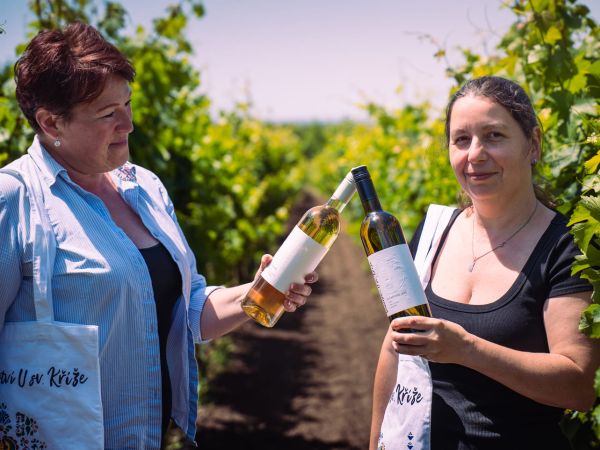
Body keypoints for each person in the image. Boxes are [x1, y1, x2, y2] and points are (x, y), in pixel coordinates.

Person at [0, 22, 316, 449]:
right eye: (108, 114)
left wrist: (260, 290)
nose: (128, 124)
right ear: (51, 123)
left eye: (127, 104)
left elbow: (189, 309)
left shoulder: (144, 187)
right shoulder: (15, 199)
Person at [370, 76, 600, 450]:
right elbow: (394, 348)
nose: (475, 154)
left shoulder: (566, 246)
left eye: (494, 136)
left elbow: (577, 386)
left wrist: (467, 349)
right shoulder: (432, 231)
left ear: (533, 144)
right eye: (462, 139)